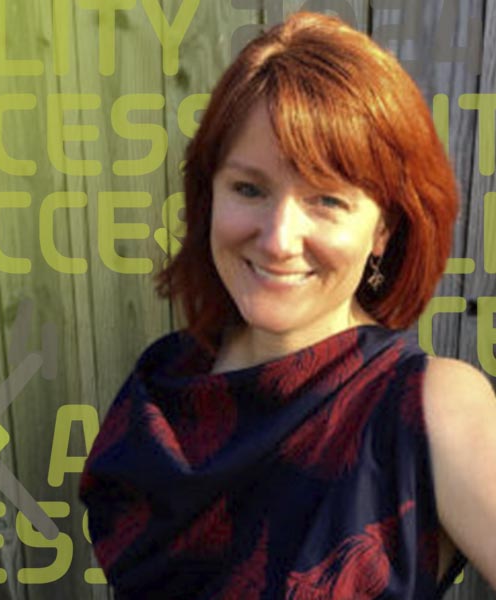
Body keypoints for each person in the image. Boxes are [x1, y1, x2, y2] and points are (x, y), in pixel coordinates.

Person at [80, 11, 496, 599]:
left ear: (382, 231)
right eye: (249, 189)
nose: (278, 239)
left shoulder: (431, 411)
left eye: (326, 200)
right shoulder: (163, 381)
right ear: (209, 197)